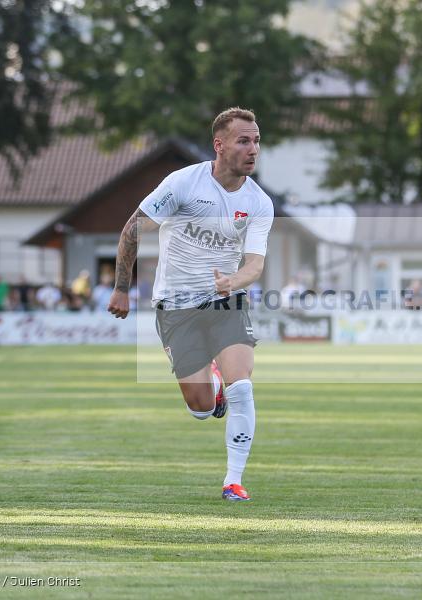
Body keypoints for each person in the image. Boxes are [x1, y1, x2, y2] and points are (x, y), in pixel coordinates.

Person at [108, 107, 273, 502]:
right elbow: (134, 228)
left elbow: (255, 264)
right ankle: (210, 388)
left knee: (243, 386)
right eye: (243, 140)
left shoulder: (258, 202)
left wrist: (235, 281)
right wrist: (121, 288)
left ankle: (233, 480)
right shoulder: (183, 183)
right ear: (220, 145)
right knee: (201, 408)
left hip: (225, 302)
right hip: (175, 307)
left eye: (257, 141)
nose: (253, 149)